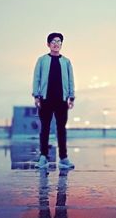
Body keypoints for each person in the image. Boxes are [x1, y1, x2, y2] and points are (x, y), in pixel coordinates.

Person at [33, 32, 75, 169]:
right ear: (48, 44)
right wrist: (36, 96)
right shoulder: (42, 60)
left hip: (62, 100)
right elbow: (37, 79)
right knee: (44, 129)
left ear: (61, 44)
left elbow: (70, 80)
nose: (56, 44)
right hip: (45, 99)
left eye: (59, 41)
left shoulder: (66, 61)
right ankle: (43, 157)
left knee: (61, 129)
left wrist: (71, 96)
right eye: (53, 41)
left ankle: (63, 158)